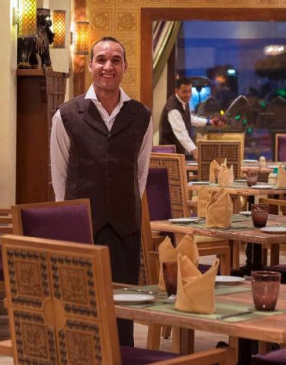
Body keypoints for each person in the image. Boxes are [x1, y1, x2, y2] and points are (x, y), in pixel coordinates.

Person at [50, 36, 153, 347]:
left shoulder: (141, 116)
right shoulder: (66, 115)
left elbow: (140, 174)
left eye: (116, 60)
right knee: (79, 307)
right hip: (81, 228)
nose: (109, 66)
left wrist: (122, 207)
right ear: (91, 65)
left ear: (125, 67)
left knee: (122, 309)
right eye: (102, 60)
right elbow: (59, 176)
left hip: (124, 229)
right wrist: (68, 223)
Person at [159, 76, 214, 158]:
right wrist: (194, 151)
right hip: (169, 154)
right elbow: (181, 133)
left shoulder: (183, 101)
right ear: (176, 91)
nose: (188, 95)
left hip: (178, 152)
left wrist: (210, 122)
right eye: (184, 92)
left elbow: (189, 118)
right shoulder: (173, 109)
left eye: (190, 91)